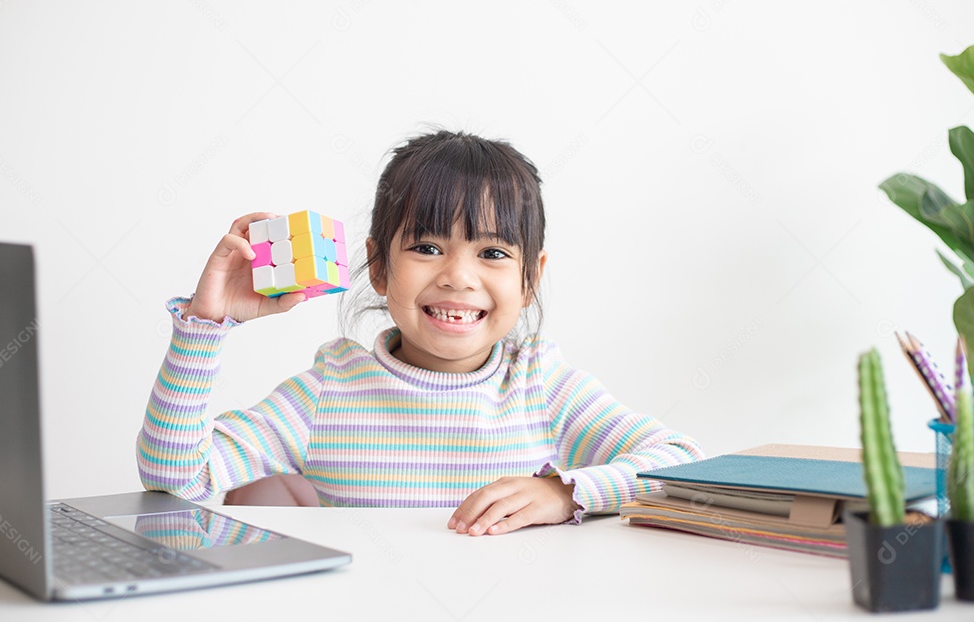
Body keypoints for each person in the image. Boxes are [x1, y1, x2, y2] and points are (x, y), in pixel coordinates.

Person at [137, 129, 703, 536]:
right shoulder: (330, 391)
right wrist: (204, 328)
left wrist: (565, 493)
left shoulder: (541, 385)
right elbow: (176, 479)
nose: (458, 276)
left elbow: (684, 465)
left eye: (493, 253)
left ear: (530, 279)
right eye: (427, 248)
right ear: (379, 268)